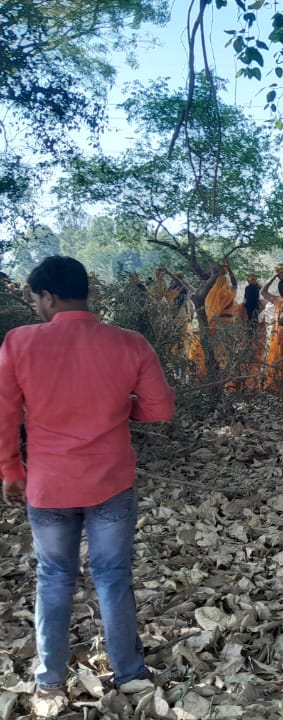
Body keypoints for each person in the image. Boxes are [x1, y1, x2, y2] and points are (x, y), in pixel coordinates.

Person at [0, 256, 175, 710]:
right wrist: (122, 410)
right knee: (113, 576)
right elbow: (158, 409)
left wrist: (11, 471)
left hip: (49, 485)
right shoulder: (129, 343)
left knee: (54, 578)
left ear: (49, 297)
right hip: (110, 481)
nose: (36, 306)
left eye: (36, 298)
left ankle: (49, 681)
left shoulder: (19, 343)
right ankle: (130, 674)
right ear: (85, 293)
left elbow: (5, 417)